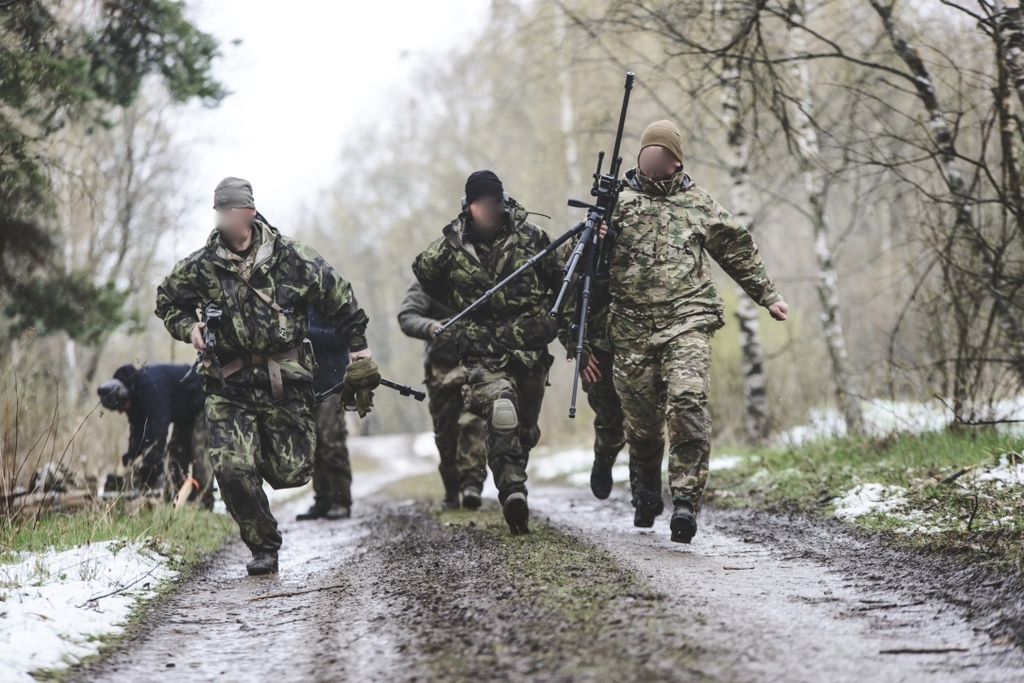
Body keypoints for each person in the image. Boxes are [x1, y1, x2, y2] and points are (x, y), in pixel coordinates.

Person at [155, 176, 376, 575]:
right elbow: (166, 300)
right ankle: (263, 547)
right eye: (219, 212)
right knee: (230, 466)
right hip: (228, 383)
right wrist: (189, 328)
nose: (224, 218)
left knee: (293, 470)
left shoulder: (293, 258)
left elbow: (340, 297)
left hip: (284, 381)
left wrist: (358, 347)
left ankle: (264, 476)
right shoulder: (201, 266)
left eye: (230, 211)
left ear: (250, 213)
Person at [600, 120, 789, 543]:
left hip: (687, 319)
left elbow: (737, 249)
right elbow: (586, 267)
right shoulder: (619, 204)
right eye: (644, 155)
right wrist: (598, 236)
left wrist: (768, 295)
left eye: (658, 156)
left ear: (675, 160)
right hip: (630, 327)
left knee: (687, 403)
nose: (650, 162)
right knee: (643, 425)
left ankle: (685, 502)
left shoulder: (699, 203)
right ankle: (647, 489)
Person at [413, 170, 563, 535]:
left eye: (493, 204)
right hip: (482, 354)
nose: (488, 212)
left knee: (522, 430)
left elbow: (560, 281)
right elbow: (424, 273)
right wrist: (460, 302)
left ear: (502, 202)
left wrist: (559, 327)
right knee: (501, 411)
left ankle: (513, 472)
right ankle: (513, 491)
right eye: (480, 205)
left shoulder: (532, 238)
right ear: (469, 206)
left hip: (528, 352)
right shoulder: (452, 245)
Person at [398, 281, 487, 510]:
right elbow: (407, 316)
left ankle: (472, 484)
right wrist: (430, 327)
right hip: (441, 370)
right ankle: (451, 487)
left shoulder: (479, 273)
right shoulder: (427, 282)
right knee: (446, 434)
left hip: (478, 363)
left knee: (474, 424)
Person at [97, 363, 213, 507]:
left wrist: (152, 467)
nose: (121, 411)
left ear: (124, 394)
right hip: (184, 413)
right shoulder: (135, 397)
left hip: (201, 401)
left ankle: (204, 502)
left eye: (121, 407)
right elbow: (139, 431)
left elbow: (159, 431)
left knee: (199, 451)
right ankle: (174, 497)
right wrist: (131, 457)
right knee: (176, 452)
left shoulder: (151, 388)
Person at [296, 309, 355, 521]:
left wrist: (304, 333)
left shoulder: (331, 295)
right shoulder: (297, 295)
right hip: (302, 383)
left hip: (333, 382)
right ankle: (322, 499)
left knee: (332, 442)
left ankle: (341, 500)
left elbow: (344, 335)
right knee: (313, 445)